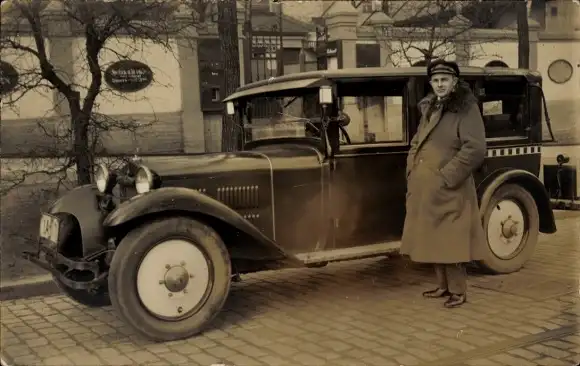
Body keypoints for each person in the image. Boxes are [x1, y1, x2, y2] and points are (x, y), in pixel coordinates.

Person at [400, 59, 487, 308]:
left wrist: (447, 176)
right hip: (426, 186)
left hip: (451, 187)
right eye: (436, 80)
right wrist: (412, 170)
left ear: (454, 82)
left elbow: (476, 148)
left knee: (452, 240)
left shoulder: (466, 108)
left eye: (444, 80)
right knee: (433, 236)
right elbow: (417, 141)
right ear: (431, 83)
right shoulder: (430, 107)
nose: (440, 84)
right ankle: (442, 286)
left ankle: (458, 291)